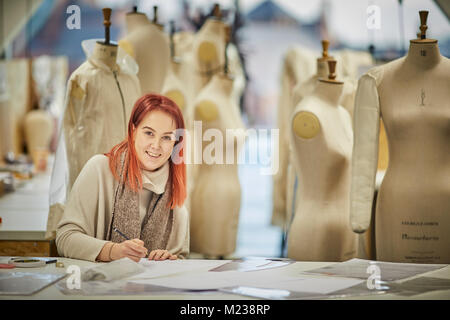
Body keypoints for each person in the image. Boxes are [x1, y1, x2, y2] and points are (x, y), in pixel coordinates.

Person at [56, 94, 189, 262]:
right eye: (149, 133)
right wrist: (113, 251)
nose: (156, 145)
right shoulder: (99, 169)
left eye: (166, 137)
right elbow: (65, 238)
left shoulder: (176, 192)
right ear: (133, 132)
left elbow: (182, 256)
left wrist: (169, 259)